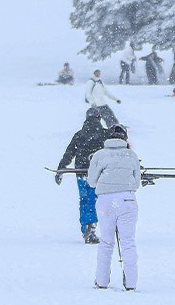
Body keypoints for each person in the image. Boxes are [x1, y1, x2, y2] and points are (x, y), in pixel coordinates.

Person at [88, 124, 142, 290]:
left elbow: (91, 181)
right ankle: (131, 282)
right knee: (128, 242)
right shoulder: (131, 155)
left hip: (105, 201)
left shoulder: (99, 155)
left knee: (106, 242)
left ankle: (102, 280)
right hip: (127, 200)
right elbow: (137, 182)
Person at [56, 108, 110, 244]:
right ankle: (91, 228)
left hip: (80, 172)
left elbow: (69, 153)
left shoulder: (80, 134)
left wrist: (61, 168)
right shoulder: (104, 134)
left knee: (84, 199)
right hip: (97, 173)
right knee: (94, 199)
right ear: (99, 118)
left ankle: (85, 228)